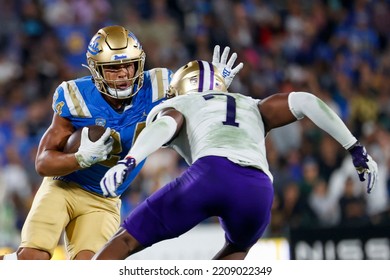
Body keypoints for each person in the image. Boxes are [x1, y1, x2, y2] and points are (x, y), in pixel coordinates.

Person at [93, 60, 378, 260]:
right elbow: (305, 101)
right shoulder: (252, 103)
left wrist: (129, 160)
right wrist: (354, 147)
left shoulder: (183, 102)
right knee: (236, 250)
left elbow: (165, 126)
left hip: (211, 174)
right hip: (258, 189)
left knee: (127, 239)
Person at [0, 26, 242, 260]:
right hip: (62, 187)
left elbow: (197, 103)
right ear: (96, 69)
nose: (124, 73)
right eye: (114, 68)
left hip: (104, 200)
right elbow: (42, 163)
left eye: (129, 65)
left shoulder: (159, 85)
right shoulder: (76, 96)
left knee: (91, 271)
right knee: (33, 259)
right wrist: (79, 158)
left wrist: (215, 88)